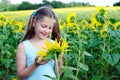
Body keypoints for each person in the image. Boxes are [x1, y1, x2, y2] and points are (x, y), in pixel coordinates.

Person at [16, 6, 63, 80]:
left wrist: (59, 60)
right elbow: (21, 75)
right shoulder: (23, 47)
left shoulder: (54, 45)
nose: (47, 31)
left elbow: (58, 73)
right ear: (34, 23)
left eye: (50, 28)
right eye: (44, 26)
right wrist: (36, 64)